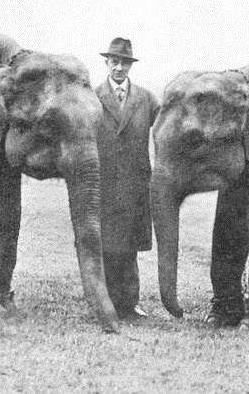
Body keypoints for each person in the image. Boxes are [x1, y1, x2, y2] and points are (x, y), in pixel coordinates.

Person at [95, 37, 159, 319]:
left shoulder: (146, 99)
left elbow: (164, 130)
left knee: (130, 245)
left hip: (135, 183)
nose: (119, 68)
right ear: (107, 63)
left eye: (124, 63)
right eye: (114, 62)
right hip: (105, 182)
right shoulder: (93, 97)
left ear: (130, 66)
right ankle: (108, 300)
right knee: (107, 245)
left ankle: (130, 302)